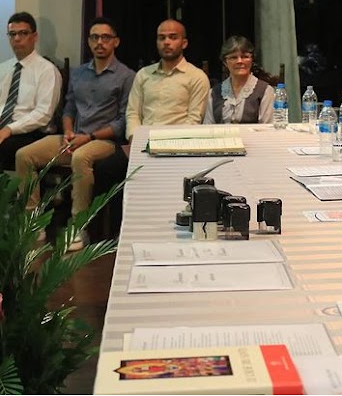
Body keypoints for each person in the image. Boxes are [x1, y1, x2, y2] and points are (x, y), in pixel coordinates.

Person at [16, 17, 135, 251]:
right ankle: (32, 221)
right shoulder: (79, 73)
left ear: (116, 42)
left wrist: (88, 138)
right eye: (94, 37)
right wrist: (69, 131)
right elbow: (69, 107)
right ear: (89, 41)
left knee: (82, 158)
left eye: (105, 37)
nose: (99, 42)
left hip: (104, 142)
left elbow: (122, 121)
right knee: (24, 155)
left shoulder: (126, 76)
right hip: (73, 136)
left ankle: (78, 226)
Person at [126, 19, 210, 141]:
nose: (166, 42)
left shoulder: (197, 77)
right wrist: (134, 139)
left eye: (173, 37)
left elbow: (194, 120)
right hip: (142, 142)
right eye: (161, 38)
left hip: (177, 145)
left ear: (184, 43)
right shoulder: (143, 74)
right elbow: (133, 113)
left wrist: (169, 144)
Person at [0, 12, 61, 169]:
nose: (17, 39)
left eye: (23, 33)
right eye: (12, 34)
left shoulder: (47, 70)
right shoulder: (4, 68)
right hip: (4, 129)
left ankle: (13, 193)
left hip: (33, 133)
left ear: (35, 36)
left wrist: (9, 129)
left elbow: (43, 114)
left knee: (4, 148)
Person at [203, 35, 274, 124]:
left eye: (245, 57)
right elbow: (208, 127)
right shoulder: (214, 93)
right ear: (225, 62)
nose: (239, 61)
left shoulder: (266, 91)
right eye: (233, 57)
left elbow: (267, 129)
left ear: (252, 60)